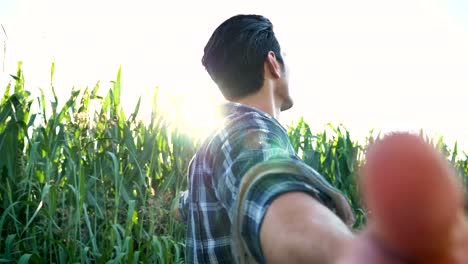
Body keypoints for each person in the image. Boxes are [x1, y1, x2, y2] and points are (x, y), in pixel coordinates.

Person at [174, 14, 468, 263]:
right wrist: (350, 252)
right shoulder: (246, 129)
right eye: (285, 57)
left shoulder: (210, 149)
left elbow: (190, 204)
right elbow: (272, 194)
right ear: (273, 63)